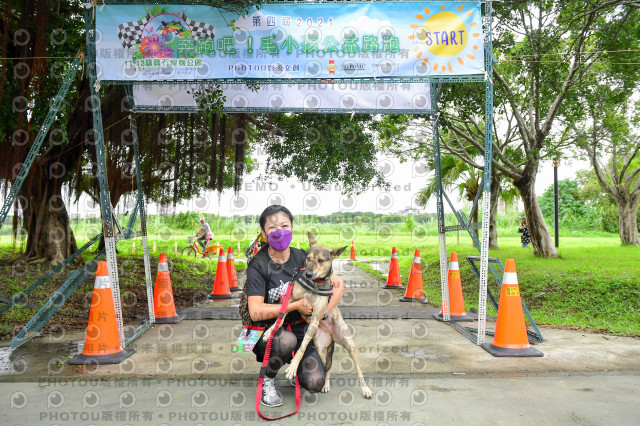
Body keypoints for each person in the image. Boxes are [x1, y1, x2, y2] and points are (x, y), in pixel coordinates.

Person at [245, 205, 345, 408]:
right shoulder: (257, 265)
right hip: (262, 330)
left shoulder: (304, 257)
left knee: (315, 382)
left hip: (299, 328)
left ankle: (295, 369)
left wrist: (321, 313)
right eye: (273, 228)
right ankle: (268, 380)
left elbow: (339, 286)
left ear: (291, 229)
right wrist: (294, 305)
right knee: (285, 340)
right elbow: (255, 312)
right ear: (263, 233)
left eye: (285, 225)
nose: (280, 231)